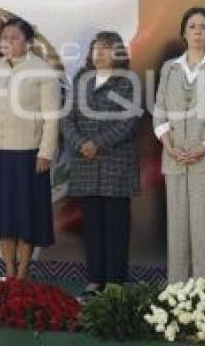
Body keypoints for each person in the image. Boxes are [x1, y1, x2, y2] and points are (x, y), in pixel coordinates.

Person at [0, 17, 59, 279]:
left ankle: (23, 272)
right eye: (4, 37)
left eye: (14, 37)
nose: (7, 42)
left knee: (25, 217)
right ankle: (9, 271)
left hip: (28, 156)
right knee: (3, 218)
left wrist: (45, 152)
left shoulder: (43, 71)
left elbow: (51, 118)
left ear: (28, 42)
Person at [153, 6, 205, 283]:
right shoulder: (170, 68)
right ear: (183, 32)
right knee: (177, 232)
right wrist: (167, 145)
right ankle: (176, 297)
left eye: (203, 27)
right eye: (192, 27)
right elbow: (160, 110)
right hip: (175, 159)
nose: (198, 32)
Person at [60, 31, 140, 296]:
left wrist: (98, 143)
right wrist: (81, 143)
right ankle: (95, 280)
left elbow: (130, 122)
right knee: (92, 228)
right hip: (85, 164)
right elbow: (66, 119)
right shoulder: (81, 80)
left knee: (116, 228)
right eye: (96, 49)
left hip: (116, 165)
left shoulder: (128, 82)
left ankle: (116, 282)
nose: (100, 54)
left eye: (106, 49)